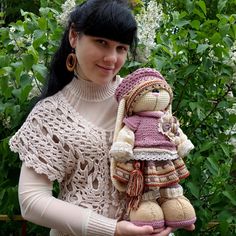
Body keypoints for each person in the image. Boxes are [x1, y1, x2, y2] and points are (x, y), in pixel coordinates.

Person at [9, 0, 195, 235]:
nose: (111, 58)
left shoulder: (142, 98)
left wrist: (172, 216)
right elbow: (31, 202)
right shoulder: (50, 114)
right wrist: (112, 229)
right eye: (101, 42)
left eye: (121, 48)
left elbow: (162, 162)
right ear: (74, 37)